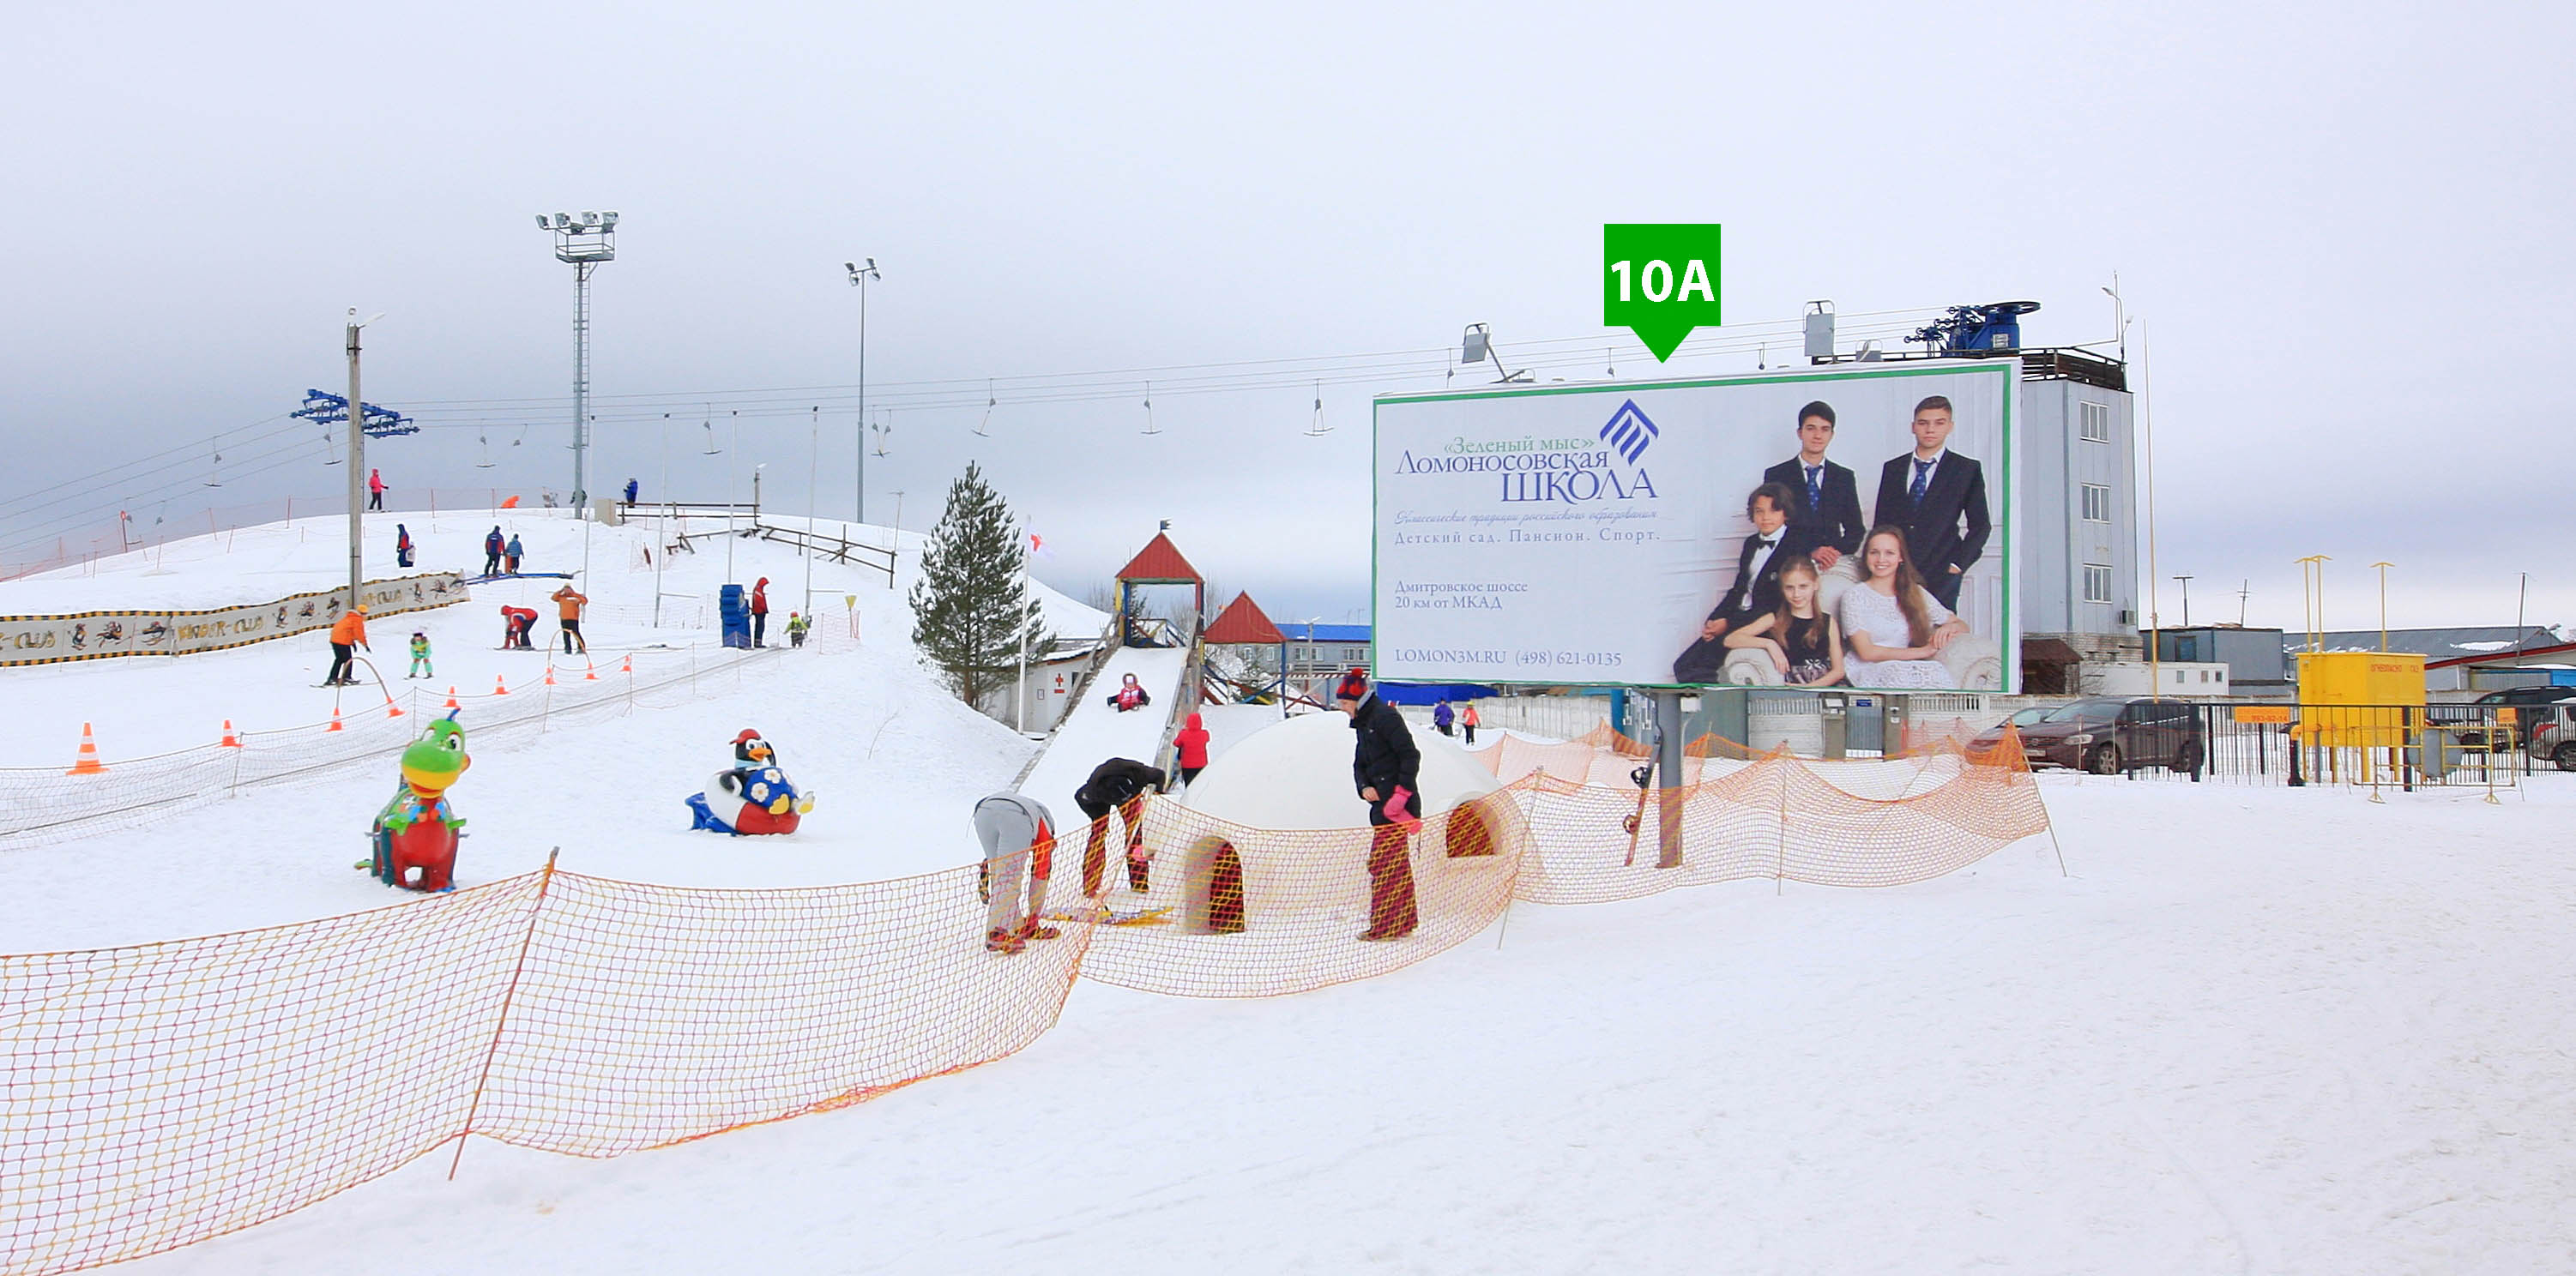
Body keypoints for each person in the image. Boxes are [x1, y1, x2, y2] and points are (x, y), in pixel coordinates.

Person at [1673, 484, 1815, 683]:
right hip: (1740, 615)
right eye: (1759, 511)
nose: (1766, 517)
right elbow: (1739, 588)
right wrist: (1716, 619)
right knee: (1684, 665)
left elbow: (1780, 601)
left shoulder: (1797, 543)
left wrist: (1728, 624)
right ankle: (1704, 710)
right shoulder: (1750, 543)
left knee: (1694, 666)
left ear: (1786, 513)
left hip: (1765, 621)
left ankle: (1710, 710)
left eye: (1774, 510)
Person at [1871, 395, 1990, 611]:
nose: (1930, 429)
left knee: (1939, 636)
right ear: (1913, 427)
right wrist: (1880, 564)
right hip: (1896, 569)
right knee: (1894, 632)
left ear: (1950, 426)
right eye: (1923, 423)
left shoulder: (1965, 469)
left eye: (1939, 423)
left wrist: (1958, 564)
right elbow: (1882, 523)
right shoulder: (1894, 468)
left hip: (1942, 568)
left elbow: (1981, 524)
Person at [1336, 669, 1419, 942]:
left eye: (1345, 704)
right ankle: (1404, 920)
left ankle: (1386, 925)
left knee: (1384, 865)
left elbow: (1410, 756)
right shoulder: (1364, 723)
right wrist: (1364, 787)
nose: (1343, 710)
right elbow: (1359, 764)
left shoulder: (1385, 717)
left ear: (1357, 700)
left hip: (1397, 807)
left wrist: (1401, 793)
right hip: (1381, 805)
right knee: (1392, 863)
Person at [1837, 526, 1969, 689]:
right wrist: (1922, 652)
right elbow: (1866, 652)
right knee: (1898, 673)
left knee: (1936, 671)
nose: (1881, 559)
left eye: (1889, 553)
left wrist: (1949, 627)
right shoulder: (1855, 596)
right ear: (1866, 556)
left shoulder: (1915, 591)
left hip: (1903, 665)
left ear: (1901, 558)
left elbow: (1963, 626)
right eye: (1874, 552)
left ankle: (1943, 715)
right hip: (1867, 668)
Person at [1763, 400, 1867, 571]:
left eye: (1824, 429)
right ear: (1800, 432)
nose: (1817, 435)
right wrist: (1810, 552)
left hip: (1832, 566)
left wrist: (1833, 553)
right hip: (1789, 564)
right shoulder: (1777, 475)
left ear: (1832, 434)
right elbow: (1772, 529)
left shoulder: (1844, 477)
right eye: (1811, 428)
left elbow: (1856, 529)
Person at [1722, 554, 1846, 686]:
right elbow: (1729, 640)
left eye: (1803, 586)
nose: (1796, 594)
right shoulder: (1774, 619)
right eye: (1789, 588)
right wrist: (1769, 644)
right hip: (1789, 687)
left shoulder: (1828, 622)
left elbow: (1838, 671)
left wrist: (1809, 688)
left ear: (1815, 584)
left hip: (1822, 686)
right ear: (1782, 589)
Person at [973, 791, 1061, 954]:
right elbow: (1041, 874)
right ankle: (998, 932)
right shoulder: (1046, 831)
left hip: (982, 812)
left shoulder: (1039, 813)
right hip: (1016, 816)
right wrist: (1034, 918)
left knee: (999, 874)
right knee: (1008, 878)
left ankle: (1015, 925)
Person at [1073, 756, 1166, 895]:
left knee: (1134, 835)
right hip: (1102, 794)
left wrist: (1157, 794)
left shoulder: (1140, 774)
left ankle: (1139, 884)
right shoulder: (1090, 793)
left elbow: (1160, 775)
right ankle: (1090, 886)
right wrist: (1098, 821)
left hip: (1127, 791)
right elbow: (1080, 798)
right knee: (1098, 835)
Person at [325, 605, 369, 686]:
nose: (365, 616)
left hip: (335, 640)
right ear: (360, 613)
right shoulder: (357, 620)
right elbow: (359, 633)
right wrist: (365, 644)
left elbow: (348, 632)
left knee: (339, 659)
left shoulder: (348, 617)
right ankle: (346, 678)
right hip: (342, 642)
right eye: (364, 614)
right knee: (348, 660)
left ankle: (332, 678)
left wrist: (352, 643)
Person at [1173, 712, 1211, 787]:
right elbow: (1207, 740)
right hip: (1202, 764)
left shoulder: (1184, 734)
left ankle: (1189, 799)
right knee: (1200, 786)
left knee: (1189, 786)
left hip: (1187, 765)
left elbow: (1176, 743)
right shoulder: (1205, 733)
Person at [551, 583, 588, 655]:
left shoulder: (575, 596)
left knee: (576, 633)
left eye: (568, 589)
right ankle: (568, 649)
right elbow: (553, 598)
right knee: (566, 634)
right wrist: (560, 591)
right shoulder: (561, 597)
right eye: (565, 589)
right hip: (564, 618)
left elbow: (584, 601)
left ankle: (581, 648)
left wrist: (579, 599)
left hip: (573, 618)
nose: (566, 590)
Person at [750, 577, 770, 647]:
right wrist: (764, 609)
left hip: (759, 611)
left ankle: (758, 642)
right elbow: (759, 601)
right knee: (760, 627)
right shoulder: (758, 590)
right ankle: (758, 642)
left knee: (760, 626)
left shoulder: (758, 589)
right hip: (759, 611)